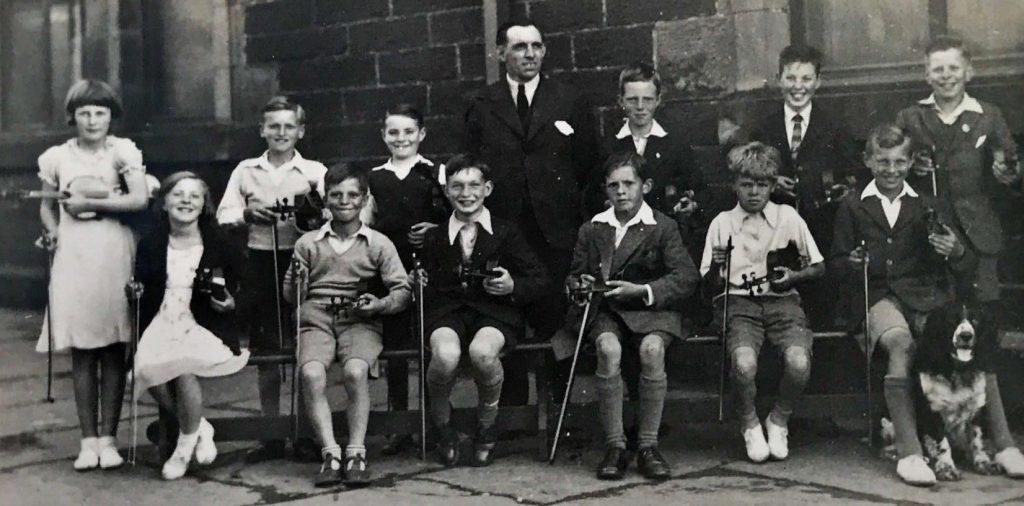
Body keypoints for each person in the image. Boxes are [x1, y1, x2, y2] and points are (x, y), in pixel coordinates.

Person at [895, 35, 1024, 478]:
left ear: (969, 72)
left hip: (979, 240)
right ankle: (930, 441)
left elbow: (1008, 171)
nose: (946, 76)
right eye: (937, 70)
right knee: (944, 331)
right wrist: (912, 167)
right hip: (933, 240)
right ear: (926, 75)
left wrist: (1008, 171)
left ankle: (1002, 443)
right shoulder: (911, 116)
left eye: (953, 69)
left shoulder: (989, 115)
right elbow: (892, 161)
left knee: (982, 337)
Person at [463, 16, 600, 406]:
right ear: (501, 52)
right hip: (504, 230)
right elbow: (470, 165)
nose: (530, 54)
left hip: (556, 231)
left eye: (536, 46)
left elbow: (590, 165)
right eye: (520, 46)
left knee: (556, 317)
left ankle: (559, 407)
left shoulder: (569, 100)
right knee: (504, 315)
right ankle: (512, 410)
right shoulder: (481, 103)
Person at [560, 152, 699, 480]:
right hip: (608, 310)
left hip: (653, 309)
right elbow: (575, 275)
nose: (621, 191)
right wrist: (579, 284)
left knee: (652, 350)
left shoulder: (662, 227)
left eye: (629, 184)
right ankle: (616, 445)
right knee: (608, 349)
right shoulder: (593, 228)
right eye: (613, 185)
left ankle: (648, 446)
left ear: (645, 186)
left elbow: (686, 277)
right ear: (605, 190)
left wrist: (643, 291)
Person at [36, 79, 150, 471]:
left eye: (100, 112)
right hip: (74, 253)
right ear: (73, 117)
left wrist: (93, 201)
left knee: (114, 346)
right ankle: (87, 441)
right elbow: (48, 207)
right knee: (83, 349)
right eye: (84, 112)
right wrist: (52, 234)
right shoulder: (56, 157)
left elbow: (139, 197)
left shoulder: (122, 152)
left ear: (110, 116)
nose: (92, 120)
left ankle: (109, 439)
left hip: (113, 247)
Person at [415, 154, 547, 467]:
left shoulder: (506, 231)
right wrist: (417, 282)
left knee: (482, 353)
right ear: (447, 191)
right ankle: (442, 423)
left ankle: (487, 423)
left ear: (487, 189)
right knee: (445, 355)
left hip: (494, 312)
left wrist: (513, 285)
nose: (466, 193)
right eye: (457, 186)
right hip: (447, 311)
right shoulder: (434, 236)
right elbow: (426, 284)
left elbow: (540, 278)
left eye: (474, 185)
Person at [283, 165, 411, 487]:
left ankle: (356, 452)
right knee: (311, 374)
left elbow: (402, 291)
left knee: (355, 372)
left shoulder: (378, 243)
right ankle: (330, 453)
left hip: (359, 320)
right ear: (325, 200)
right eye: (336, 195)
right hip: (316, 319)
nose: (344, 201)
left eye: (353, 195)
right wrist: (296, 282)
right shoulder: (308, 243)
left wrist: (379, 305)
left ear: (365, 199)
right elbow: (291, 296)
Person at [216, 95, 327, 461]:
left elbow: (334, 212)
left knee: (302, 344)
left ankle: (307, 431)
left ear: (301, 131)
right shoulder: (246, 170)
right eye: (274, 126)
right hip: (261, 262)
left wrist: (312, 214)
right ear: (262, 130)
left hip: (303, 260)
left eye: (289, 126)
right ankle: (270, 432)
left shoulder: (314, 171)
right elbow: (224, 213)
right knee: (266, 349)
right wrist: (247, 214)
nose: (281, 132)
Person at [700, 141, 824, 463]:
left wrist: (793, 277)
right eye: (746, 184)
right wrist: (717, 265)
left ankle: (779, 419)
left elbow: (818, 266)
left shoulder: (788, 217)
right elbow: (707, 283)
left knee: (799, 363)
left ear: (772, 184)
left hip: (783, 302)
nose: (754, 192)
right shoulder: (721, 223)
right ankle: (749, 422)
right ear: (734, 185)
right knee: (744, 364)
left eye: (762, 184)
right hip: (739, 302)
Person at [132, 171, 250, 480]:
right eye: (178, 195)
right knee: (145, 369)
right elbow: (142, 284)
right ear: (164, 203)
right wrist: (135, 292)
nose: (186, 201)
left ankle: (183, 448)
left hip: (203, 323)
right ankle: (200, 427)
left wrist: (232, 301)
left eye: (194, 196)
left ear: (204, 205)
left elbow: (246, 285)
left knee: (182, 367)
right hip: (163, 318)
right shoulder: (152, 242)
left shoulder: (218, 241)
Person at [749, 44, 865, 329]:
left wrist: (838, 188)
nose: (798, 87)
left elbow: (853, 174)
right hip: (776, 233)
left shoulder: (835, 126)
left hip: (822, 231)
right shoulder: (764, 127)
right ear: (779, 79)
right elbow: (748, 171)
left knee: (821, 306)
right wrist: (771, 182)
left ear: (818, 82)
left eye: (806, 79)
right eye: (790, 78)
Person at [363, 104, 449, 454]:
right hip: (389, 269)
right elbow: (366, 223)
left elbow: (456, 214)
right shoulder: (375, 177)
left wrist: (435, 229)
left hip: (429, 265)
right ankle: (399, 424)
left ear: (422, 134)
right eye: (393, 133)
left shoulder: (435, 172)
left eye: (409, 132)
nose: (401, 139)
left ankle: (434, 419)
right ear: (384, 135)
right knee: (397, 344)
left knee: (429, 340)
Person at [600, 63, 705, 238]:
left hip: (663, 237)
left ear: (658, 100)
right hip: (620, 235)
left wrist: (691, 204)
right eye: (632, 99)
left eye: (647, 99)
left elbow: (700, 189)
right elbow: (592, 193)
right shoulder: (609, 144)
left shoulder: (675, 144)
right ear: (621, 101)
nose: (640, 107)